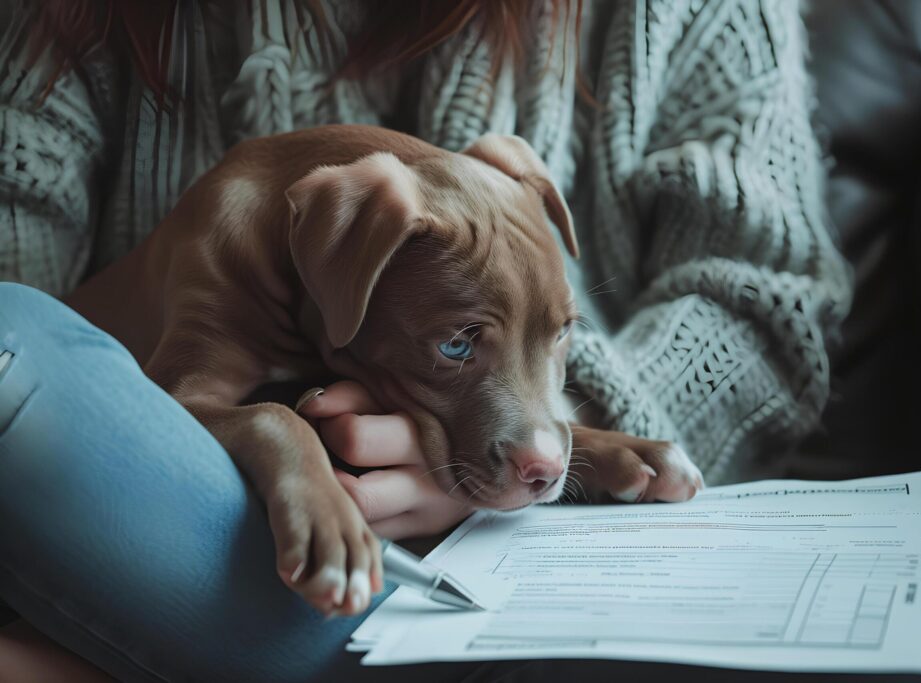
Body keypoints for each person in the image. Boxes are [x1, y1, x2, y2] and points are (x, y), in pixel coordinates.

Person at [0, 0, 852, 680]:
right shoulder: (79, 24)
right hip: (180, 538)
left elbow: (763, 309)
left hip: (527, 567)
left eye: (556, 337)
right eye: (456, 344)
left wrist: (503, 461)